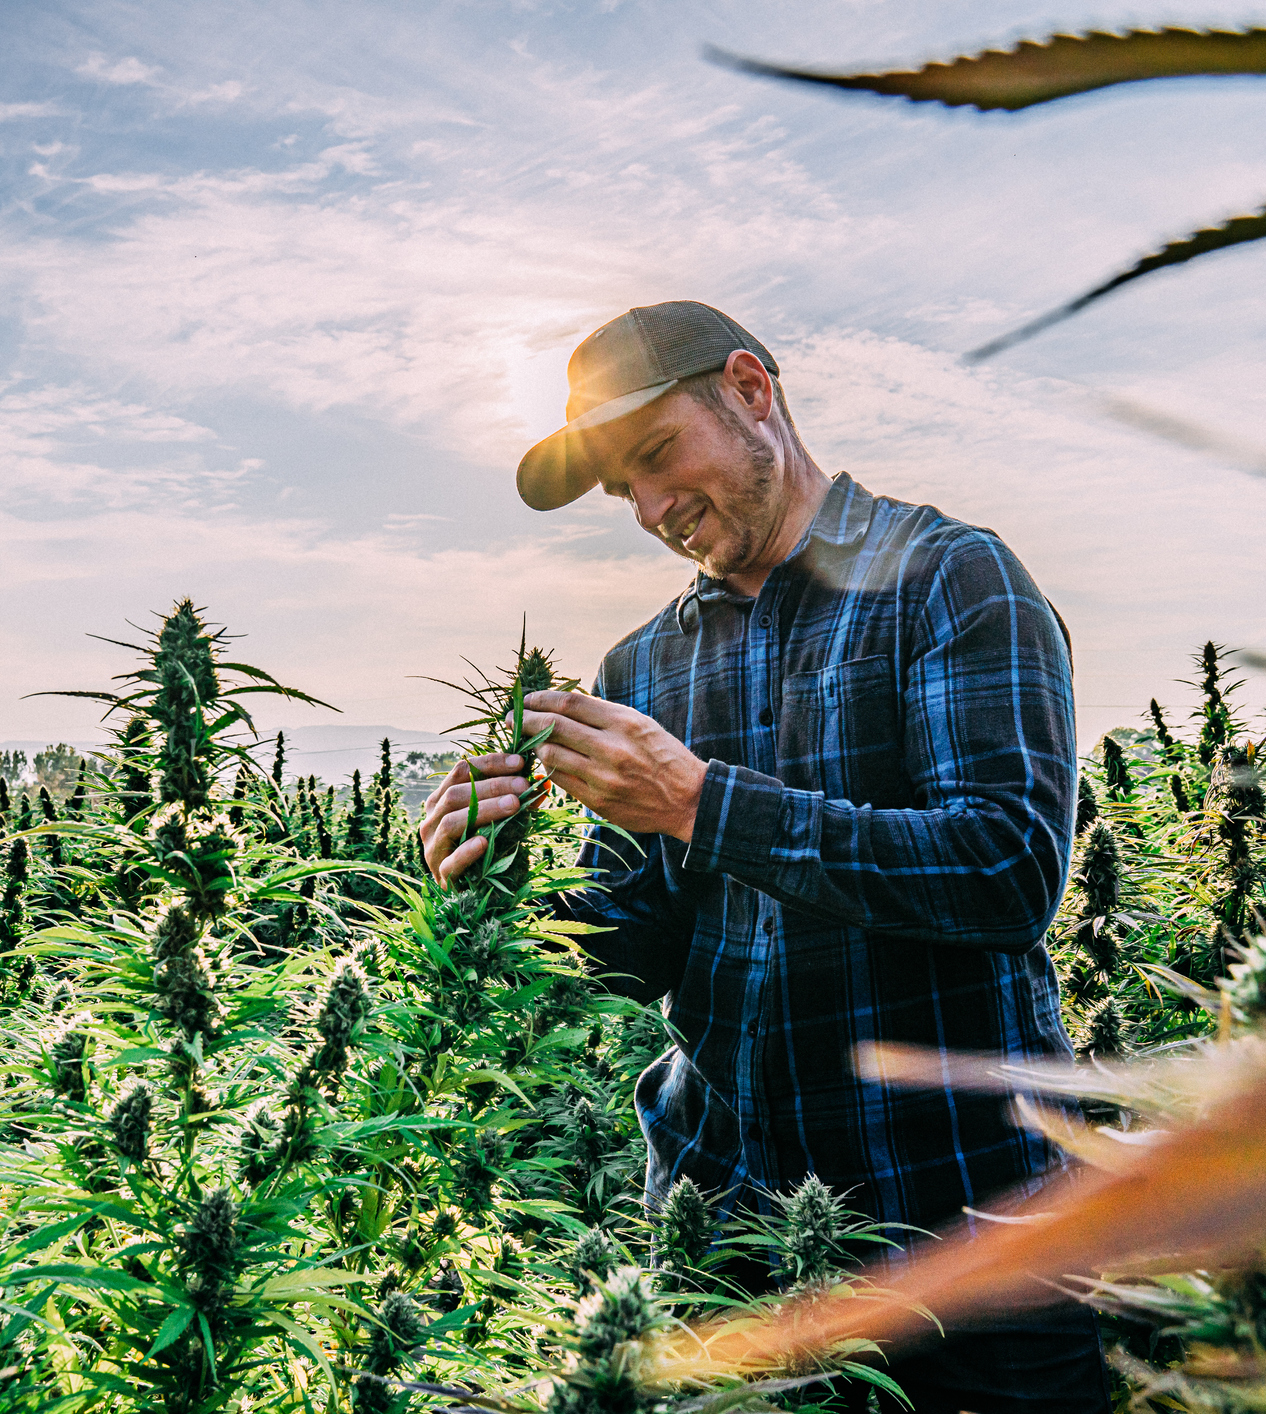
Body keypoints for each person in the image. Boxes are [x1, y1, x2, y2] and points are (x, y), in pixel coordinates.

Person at [417, 301, 1107, 1413]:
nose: (649, 508)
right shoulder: (641, 665)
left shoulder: (949, 580)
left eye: (655, 457)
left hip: (967, 1232)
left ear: (749, 389)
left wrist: (699, 803)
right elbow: (633, 941)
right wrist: (495, 890)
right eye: (620, 491)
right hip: (726, 1232)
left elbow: (1005, 871)